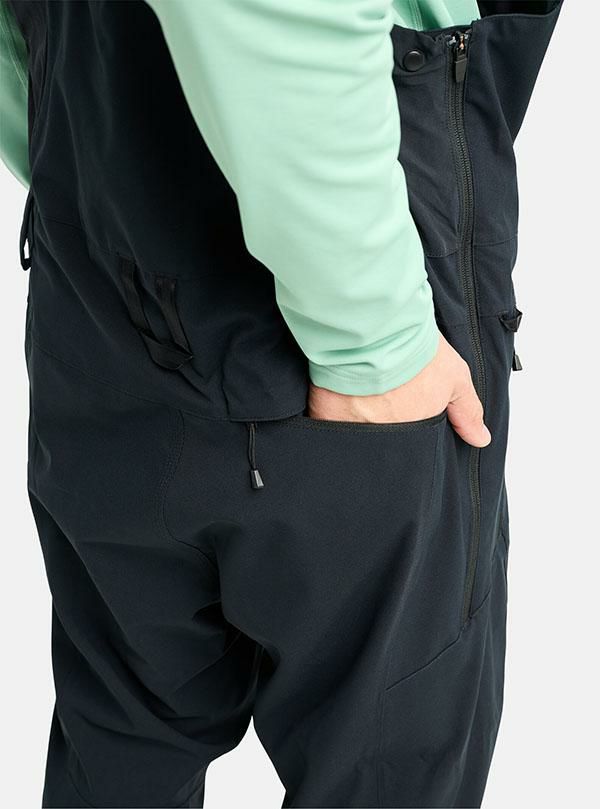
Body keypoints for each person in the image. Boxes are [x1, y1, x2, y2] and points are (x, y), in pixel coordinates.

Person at [0, 1, 562, 807]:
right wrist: (374, 336)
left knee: (122, 747)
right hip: (345, 307)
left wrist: (81, 163)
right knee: (387, 773)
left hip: (101, 280)